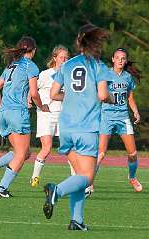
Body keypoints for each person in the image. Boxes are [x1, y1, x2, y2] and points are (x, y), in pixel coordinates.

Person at [44, 23, 114, 230]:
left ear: (78, 41)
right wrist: (110, 99)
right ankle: (57, 190)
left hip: (66, 127)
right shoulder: (99, 66)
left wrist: (73, 96)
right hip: (86, 127)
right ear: (96, 43)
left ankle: (77, 221)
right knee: (87, 177)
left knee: (80, 175)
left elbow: (53, 94)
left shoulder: (67, 65)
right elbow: (102, 95)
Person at [0, 36, 49, 198]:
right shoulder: (31, 67)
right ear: (33, 50)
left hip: (4, 113)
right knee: (21, 154)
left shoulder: (11, 66)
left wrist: (3, 108)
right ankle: (1, 189)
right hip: (18, 113)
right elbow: (34, 93)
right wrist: (42, 106)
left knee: (24, 153)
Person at [95, 47, 143, 192]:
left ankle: (132, 177)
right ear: (113, 59)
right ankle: (89, 181)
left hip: (123, 118)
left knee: (133, 154)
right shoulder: (105, 74)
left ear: (126, 60)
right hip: (107, 117)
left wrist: (135, 111)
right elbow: (99, 94)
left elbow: (130, 97)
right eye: (118, 58)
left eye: (123, 58)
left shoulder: (127, 77)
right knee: (101, 152)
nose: (121, 60)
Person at [30, 45, 69, 187]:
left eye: (66, 57)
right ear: (55, 58)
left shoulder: (69, 75)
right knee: (47, 148)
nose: (64, 60)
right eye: (61, 57)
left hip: (64, 115)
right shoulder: (46, 74)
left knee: (69, 147)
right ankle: (35, 177)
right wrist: (31, 102)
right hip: (47, 114)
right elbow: (33, 88)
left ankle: (75, 178)